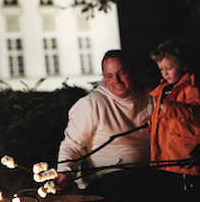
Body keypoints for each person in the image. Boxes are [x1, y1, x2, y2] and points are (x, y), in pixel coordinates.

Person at [55, 50, 155, 202]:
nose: (116, 81)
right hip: (103, 180)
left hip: (147, 174)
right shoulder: (91, 104)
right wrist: (65, 172)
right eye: (109, 76)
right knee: (133, 187)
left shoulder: (152, 98)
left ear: (133, 71)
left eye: (122, 73)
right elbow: (72, 145)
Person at [146, 40, 200, 202]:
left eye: (169, 68)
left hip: (182, 161)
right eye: (161, 69)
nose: (165, 73)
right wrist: (150, 123)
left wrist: (172, 108)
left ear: (184, 65)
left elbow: (198, 114)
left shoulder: (192, 87)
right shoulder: (163, 89)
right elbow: (163, 119)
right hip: (162, 160)